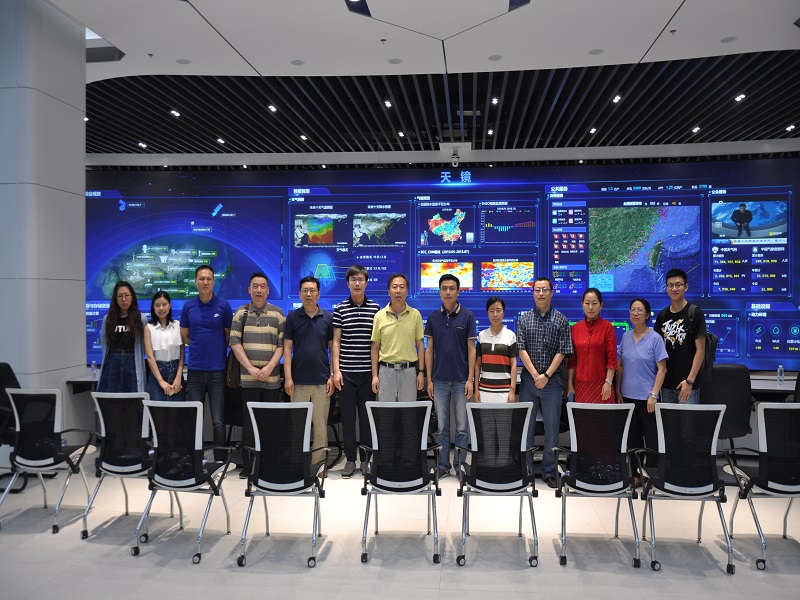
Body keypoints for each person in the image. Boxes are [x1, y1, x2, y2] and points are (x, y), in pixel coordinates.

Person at [517, 276, 573, 488]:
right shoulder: (524, 319)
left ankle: (549, 472)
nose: (541, 293)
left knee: (552, 430)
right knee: (527, 429)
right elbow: (521, 349)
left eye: (545, 290)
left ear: (551, 292)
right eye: (537, 290)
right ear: (533, 293)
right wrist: (535, 375)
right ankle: (526, 471)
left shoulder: (561, 320)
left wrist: (546, 376)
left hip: (553, 381)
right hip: (529, 381)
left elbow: (563, 351)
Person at [229, 272, 285, 475]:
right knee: (249, 423)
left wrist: (269, 368)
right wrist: (251, 368)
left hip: (271, 379)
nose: (259, 290)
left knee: (270, 422)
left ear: (268, 290)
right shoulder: (240, 313)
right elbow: (234, 343)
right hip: (248, 379)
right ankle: (249, 464)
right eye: (255, 286)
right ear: (249, 290)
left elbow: (282, 345)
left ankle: (268, 463)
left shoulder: (278, 314)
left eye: (263, 286)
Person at [424, 274, 477, 479]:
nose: (448, 292)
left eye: (452, 288)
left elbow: (471, 350)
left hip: (461, 381)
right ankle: (444, 465)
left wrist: (470, 379)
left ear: (458, 291)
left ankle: (460, 465)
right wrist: (429, 380)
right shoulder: (433, 318)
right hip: (439, 381)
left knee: (462, 427)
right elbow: (429, 350)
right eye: (444, 288)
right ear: (439, 292)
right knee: (442, 427)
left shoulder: (468, 316)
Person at [331, 265, 380, 478]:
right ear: (348, 283)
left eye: (360, 279)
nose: (357, 283)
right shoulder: (340, 309)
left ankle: (366, 460)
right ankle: (350, 460)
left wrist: (376, 374)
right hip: (347, 374)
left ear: (366, 283)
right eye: (353, 280)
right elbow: (336, 342)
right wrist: (336, 371)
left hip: (368, 374)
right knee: (348, 419)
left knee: (367, 420)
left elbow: (376, 344)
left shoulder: (375, 308)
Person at [180, 265, 233, 459]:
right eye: (201, 279)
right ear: (195, 281)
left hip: (217, 370)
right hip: (195, 370)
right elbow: (185, 336)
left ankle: (219, 461)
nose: (205, 282)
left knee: (218, 420)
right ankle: (195, 460)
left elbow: (228, 336)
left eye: (209, 279)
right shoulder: (188, 307)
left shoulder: (223, 306)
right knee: (195, 419)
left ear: (213, 281)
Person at [284, 276, 334, 466]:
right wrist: (288, 378)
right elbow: (287, 349)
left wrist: (332, 375)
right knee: (299, 426)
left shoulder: (327, 317)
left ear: (318, 294)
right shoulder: (292, 317)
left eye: (312, 290)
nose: (308, 294)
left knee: (320, 427)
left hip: (322, 381)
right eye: (305, 290)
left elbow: (333, 349)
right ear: (299, 294)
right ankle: (299, 464)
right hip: (298, 383)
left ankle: (318, 465)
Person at [616, 298, 667, 461]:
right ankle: (635, 473)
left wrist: (654, 395)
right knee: (632, 441)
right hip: (627, 397)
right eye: (632, 310)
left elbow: (662, 369)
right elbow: (620, 367)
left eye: (639, 310)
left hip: (647, 399)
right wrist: (618, 391)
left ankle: (652, 473)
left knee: (652, 441)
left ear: (647, 315)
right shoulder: (625, 337)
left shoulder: (655, 338)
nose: (635, 313)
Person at [654, 268, 706, 404]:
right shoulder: (662, 316)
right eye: (670, 285)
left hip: (688, 385)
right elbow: (657, 351)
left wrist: (689, 381)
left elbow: (701, 350)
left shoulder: (695, 313)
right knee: (667, 419)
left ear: (686, 287)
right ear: (666, 288)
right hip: (666, 384)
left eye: (678, 285)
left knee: (687, 419)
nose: (674, 289)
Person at [371, 273, 425, 402]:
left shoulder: (415, 315)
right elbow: (375, 348)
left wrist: (421, 372)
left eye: (402, 287)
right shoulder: (379, 316)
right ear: (389, 291)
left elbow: (420, 345)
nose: (398, 291)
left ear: (407, 291)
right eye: (394, 287)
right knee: (386, 412)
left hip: (409, 371)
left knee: (408, 412)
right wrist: (375, 376)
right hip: (386, 371)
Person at [567, 287, 617, 404]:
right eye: (587, 303)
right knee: (582, 416)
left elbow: (612, 359)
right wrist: (570, 384)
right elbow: (572, 361)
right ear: (582, 305)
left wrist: (608, 383)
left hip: (603, 385)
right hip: (581, 386)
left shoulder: (607, 327)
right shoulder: (575, 328)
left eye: (594, 303)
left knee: (602, 416)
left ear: (601, 305)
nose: (590, 307)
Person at [97, 281, 147, 393]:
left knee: (133, 398)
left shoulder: (141, 319)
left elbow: (144, 346)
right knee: (109, 398)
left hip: (132, 362)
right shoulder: (107, 319)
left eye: (127, 295)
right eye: (120, 296)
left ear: (132, 297)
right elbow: (104, 344)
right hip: (112, 362)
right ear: (115, 298)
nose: (124, 299)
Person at [474, 296, 518, 404]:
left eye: (498, 310)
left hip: (504, 391)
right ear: (487, 313)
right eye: (491, 311)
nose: (495, 314)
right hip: (484, 390)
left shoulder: (510, 335)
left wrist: (512, 390)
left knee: (504, 416)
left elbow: (513, 365)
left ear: (503, 312)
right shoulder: (482, 335)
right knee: (485, 416)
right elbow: (477, 365)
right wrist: (476, 389)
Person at [143, 291, 184, 401]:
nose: (161, 308)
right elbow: (150, 357)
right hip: (157, 375)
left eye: (164, 304)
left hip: (176, 374)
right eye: (157, 305)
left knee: (177, 410)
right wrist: (161, 381)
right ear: (153, 307)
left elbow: (182, 354)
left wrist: (178, 377)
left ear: (170, 305)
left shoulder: (177, 325)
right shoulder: (149, 328)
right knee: (158, 411)